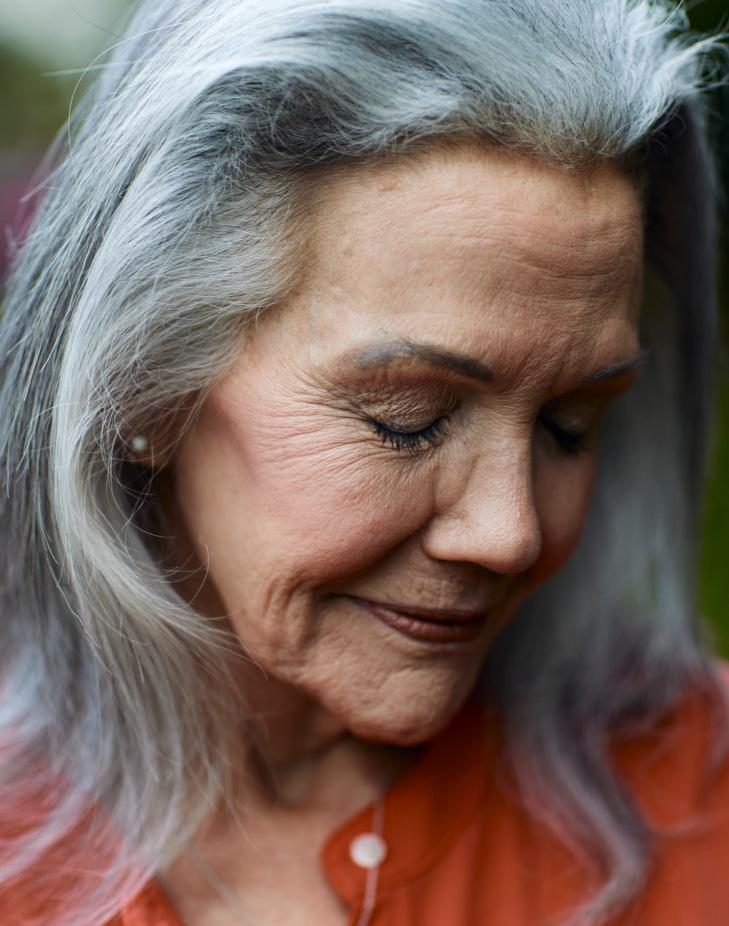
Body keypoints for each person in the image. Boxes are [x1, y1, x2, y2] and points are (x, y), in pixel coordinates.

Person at [1, 1, 728, 924]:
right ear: (142, 388)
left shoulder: (702, 799)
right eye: (407, 422)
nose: (508, 534)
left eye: (568, 426)